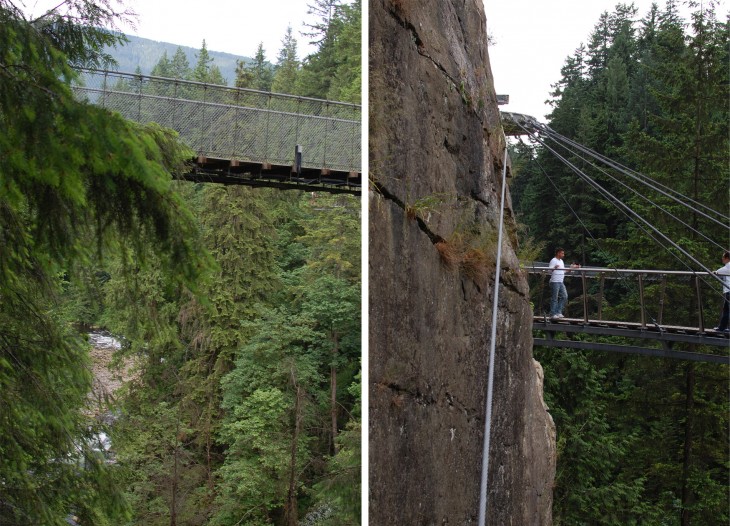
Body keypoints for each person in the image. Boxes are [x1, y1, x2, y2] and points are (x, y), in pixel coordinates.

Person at [548, 247, 580, 319]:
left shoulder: (561, 261)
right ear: (558, 253)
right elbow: (549, 271)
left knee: (565, 296)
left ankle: (558, 312)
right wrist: (554, 268)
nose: (563, 254)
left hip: (560, 281)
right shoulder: (553, 260)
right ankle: (553, 313)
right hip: (555, 281)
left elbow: (563, 271)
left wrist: (572, 268)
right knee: (554, 298)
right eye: (562, 253)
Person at [713, 250, 730, 333]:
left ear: (727, 258)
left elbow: (717, 272)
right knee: (726, 309)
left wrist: (716, 272)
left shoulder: (728, 266)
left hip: (728, 290)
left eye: (723, 257)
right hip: (728, 290)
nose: (722, 259)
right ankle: (723, 327)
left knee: (727, 310)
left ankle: (722, 328)